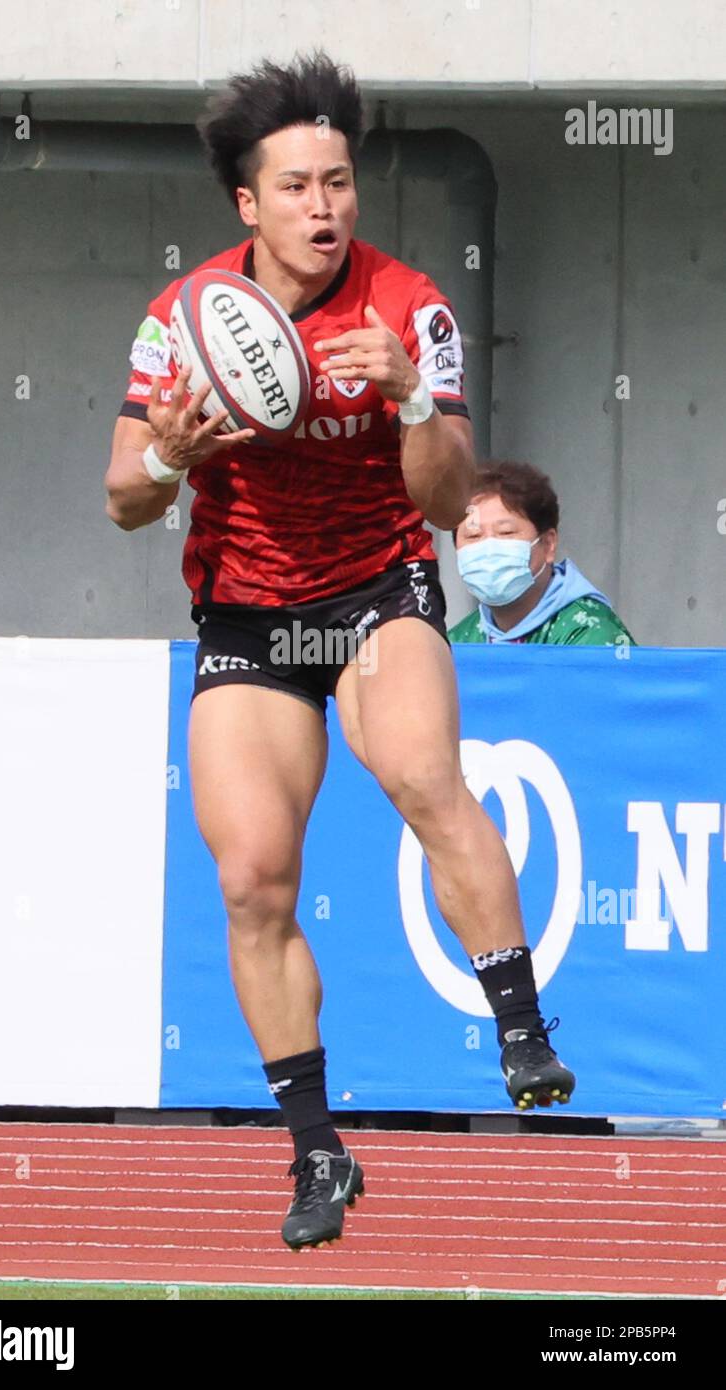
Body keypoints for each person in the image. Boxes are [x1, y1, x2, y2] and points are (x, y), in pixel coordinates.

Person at [105, 52, 575, 1251]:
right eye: (299, 187)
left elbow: (444, 497)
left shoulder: (405, 303)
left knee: (422, 772)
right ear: (246, 205)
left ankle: (520, 1029)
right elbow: (120, 497)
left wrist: (413, 399)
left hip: (376, 588)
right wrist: (173, 456)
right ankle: (316, 1149)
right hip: (249, 613)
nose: (325, 207)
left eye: (341, 182)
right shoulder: (186, 317)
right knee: (251, 875)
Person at [450, 461, 636, 645]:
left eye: (506, 532)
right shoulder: (455, 642)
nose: (488, 549)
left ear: (548, 544)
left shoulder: (591, 635)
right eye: (473, 536)